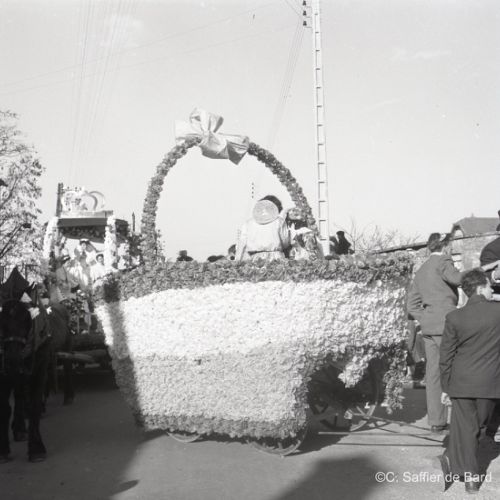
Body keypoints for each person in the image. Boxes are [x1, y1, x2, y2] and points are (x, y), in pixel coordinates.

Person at [407, 233, 500, 434]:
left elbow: (411, 305)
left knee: (433, 374)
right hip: (445, 325)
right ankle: (465, 420)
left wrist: (427, 318)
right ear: (445, 246)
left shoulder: (422, 269)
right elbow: (459, 279)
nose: (451, 250)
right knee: (457, 368)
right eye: (450, 246)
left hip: (429, 328)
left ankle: (436, 421)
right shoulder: (443, 261)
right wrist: (484, 269)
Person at [439, 269, 500, 494]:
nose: (492, 289)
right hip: (490, 383)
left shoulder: (454, 317)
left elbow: (446, 356)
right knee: (478, 429)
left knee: (468, 429)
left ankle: (454, 461)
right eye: (489, 286)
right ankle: (470, 477)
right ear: (480, 288)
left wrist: (445, 387)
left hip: (461, 383)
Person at [235, 196, 290, 261]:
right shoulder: (279, 221)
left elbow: (241, 245)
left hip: (255, 258)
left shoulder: (248, 223)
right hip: (276, 257)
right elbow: (285, 242)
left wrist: (237, 261)